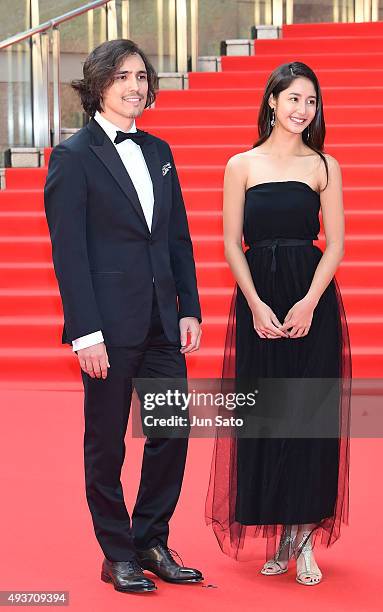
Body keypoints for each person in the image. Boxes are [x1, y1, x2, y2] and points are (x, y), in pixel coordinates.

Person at [44, 39, 203, 594]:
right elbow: (69, 254)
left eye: (141, 76)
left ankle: (151, 539)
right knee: (107, 444)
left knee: (171, 431)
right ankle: (116, 553)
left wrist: (190, 307)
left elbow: (177, 237)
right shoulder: (73, 156)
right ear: (98, 85)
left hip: (163, 322)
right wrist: (85, 333)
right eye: (122, 77)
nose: (135, 86)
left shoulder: (159, 150)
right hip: (107, 330)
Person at [206, 61, 351, 586]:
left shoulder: (324, 166)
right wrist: (254, 304)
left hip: (311, 300)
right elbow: (230, 243)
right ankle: (282, 534)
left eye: (310, 101)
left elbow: (334, 243)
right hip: (258, 302)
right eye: (293, 99)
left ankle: (306, 537)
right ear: (272, 101)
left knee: (309, 418)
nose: (302, 110)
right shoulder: (240, 165)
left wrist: (312, 301)